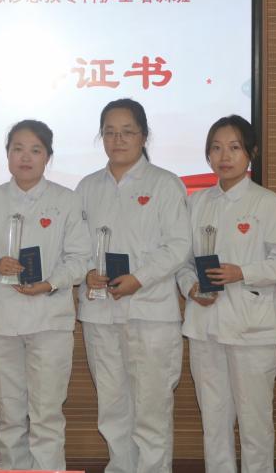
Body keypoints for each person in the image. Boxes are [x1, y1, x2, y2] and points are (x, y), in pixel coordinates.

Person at [0, 120, 90, 470]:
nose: (25, 157)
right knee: (8, 413)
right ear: (7, 154)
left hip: (50, 320)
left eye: (35, 150)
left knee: (47, 413)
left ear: (48, 157)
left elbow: (80, 259)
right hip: (0, 322)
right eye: (17, 149)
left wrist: (50, 283)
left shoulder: (66, 201)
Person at [76, 98, 190, 473]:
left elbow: (178, 246)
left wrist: (139, 278)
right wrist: (86, 272)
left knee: (151, 411)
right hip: (100, 311)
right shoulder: (87, 187)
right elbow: (75, 246)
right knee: (112, 409)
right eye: (109, 132)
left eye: (127, 131)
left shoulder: (165, 184)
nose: (118, 139)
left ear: (144, 135)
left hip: (150, 312)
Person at [177, 115, 276, 473]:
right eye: (216, 148)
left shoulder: (267, 202)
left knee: (255, 423)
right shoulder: (196, 203)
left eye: (234, 147)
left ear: (251, 153)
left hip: (251, 330)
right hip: (205, 326)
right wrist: (191, 287)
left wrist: (242, 273)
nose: (224, 156)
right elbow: (182, 262)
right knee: (214, 422)